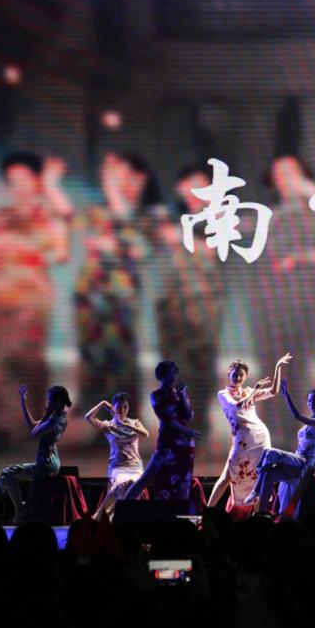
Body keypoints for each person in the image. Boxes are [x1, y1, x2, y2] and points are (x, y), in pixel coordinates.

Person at [0, 152, 71, 452]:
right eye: (11, 180)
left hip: (30, 302)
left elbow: (60, 251)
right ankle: (1, 427)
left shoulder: (46, 215)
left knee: (25, 360)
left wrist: (16, 246)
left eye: (23, 179)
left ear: (36, 181)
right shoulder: (1, 216)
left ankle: (31, 424)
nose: (17, 186)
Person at [74, 153, 157, 413]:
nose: (110, 178)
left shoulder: (148, 214)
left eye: (117, 172)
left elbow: (141, 249)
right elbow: (81, 238)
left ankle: (124, 419)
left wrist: (114, 244)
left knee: (120, 359)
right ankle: (97, 417)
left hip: (120, 299)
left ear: (138, 179)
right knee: (93, 356)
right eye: (107, 174)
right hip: (90, 295)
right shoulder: (96, 211)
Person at [251, 153, 315, 434]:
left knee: (297, 366)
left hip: (303, 300)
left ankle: (294, 430)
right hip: (268, 302)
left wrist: (300, 257)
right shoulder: (269, 213)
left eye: (291, 172)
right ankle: (271, 432)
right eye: (279, 174)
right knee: (270, 367)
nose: (285, 179)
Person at [152, 163, 224, 439]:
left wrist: (181, 237)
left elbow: (212, 249)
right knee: (171, 366)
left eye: (201, 185)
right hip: (171, 305)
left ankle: (198, 423)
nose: (195, 191)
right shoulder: (171, 217)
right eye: (189, 185)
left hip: (204, 307)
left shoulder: (218, 217)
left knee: (200, 364)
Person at [207, 355, 292, 514]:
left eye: (241, 375)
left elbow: (273, 391)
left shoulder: (249, 391)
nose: (238, 378)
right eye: (235, 374)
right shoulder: (223, 394)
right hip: (242, 440)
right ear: (229, 373)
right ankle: (207, 512)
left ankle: (257, 516)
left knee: (259, 477)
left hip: (260, 437)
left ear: (246, 377)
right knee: (227, 476)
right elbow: (237, 406)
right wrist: (254, 391)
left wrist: (277, 367)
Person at [246, 382, 315, 518]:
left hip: (305, 464)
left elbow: (298, 417)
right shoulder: (311, 422)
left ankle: (255, 490)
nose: (311, 404)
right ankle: (261, 513)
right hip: (297, 460)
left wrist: (286, 395)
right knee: (268, 474)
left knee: (269, 452)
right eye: (309, 401)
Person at [123, 361, 201, 501]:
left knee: (182, 483)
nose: (173, 377)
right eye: (169, 374)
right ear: (160, 376)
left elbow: (188, 416)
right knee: (147, 478)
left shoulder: (179, 394)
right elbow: (166, 419)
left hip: (185, 446)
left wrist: (183, 396)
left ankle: (178, 513)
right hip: (168, 443)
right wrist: (187, 432)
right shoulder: (156, 395)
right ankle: (122, 507)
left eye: (174, 373)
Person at [0, 385, 72, 525]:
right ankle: (21, 509)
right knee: (9, 474)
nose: (47, 403)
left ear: (58, 402)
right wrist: (23, 403)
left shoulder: (54, 420)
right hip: (50, 462)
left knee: (7, 473)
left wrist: (46, 415)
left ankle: (20, 510)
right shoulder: (58, 417)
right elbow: (33, 425)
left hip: (46, 464)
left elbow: (34, 434)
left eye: (50, 400)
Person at [85, 392, 149, 520]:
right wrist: (103, 403)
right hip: (118, 466)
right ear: (113, 407)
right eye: (119, 407)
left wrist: (127, 425)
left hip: (135, 466)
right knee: (121, 484)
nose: (122, 410)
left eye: (125, 407)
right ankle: (101, 516)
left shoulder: (135, 422)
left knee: (133, 482)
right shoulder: (108, 426)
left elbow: (146, 434)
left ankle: (107, 516)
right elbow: (88, 417)